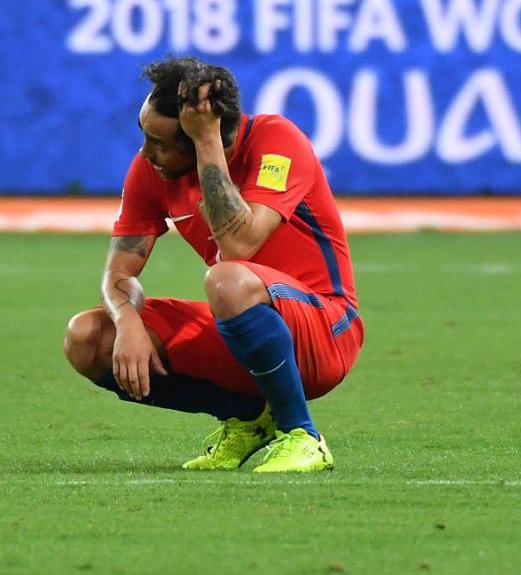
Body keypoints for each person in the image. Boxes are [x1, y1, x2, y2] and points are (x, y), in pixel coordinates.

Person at [62, 56, 364, 473]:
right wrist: (127, 322)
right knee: (87, 337)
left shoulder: (277, 140)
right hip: (245, 326)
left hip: (326, 329)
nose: (146, 153)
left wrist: (207, 144)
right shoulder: (152, 171)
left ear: (204, 135)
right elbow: (120, 273)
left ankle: (302, 436)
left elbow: (240, 245)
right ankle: (245, 417)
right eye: (145, 136)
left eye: (161, 143)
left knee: (226, 279)